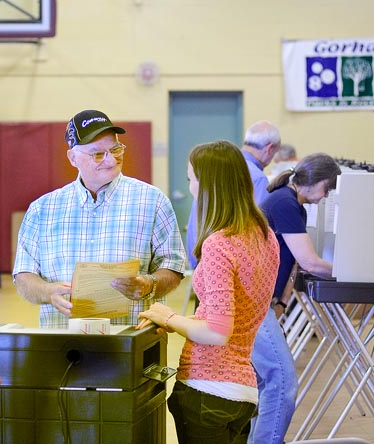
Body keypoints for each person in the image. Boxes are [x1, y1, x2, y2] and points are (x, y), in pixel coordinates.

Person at [137, 141, 279, 443]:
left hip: (208, 389)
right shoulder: (265, 237)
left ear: (208, 184)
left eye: (191, 179)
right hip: (242, 392)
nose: (189, 188)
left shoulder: (220, 244)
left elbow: (217, 331)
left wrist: (169, 317)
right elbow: (228, 314)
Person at [13, 109, 186, 328]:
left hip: (131, 339)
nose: (111, 160)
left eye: (116, 150)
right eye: (97, 154)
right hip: (63, 343)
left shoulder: (152, 201)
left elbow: (173, 266)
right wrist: (48, 292)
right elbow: (23, 276)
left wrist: (149, 284)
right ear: (73, 158)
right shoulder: (42, 210)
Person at [249, 153, 341, 444]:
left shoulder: (293, 205)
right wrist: (349, 269)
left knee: (268, 382)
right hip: (253, 303)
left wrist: (281, 303)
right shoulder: (285, 203)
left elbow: (290, 264)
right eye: (327, 188)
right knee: (282, 381)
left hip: (263, 302)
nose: (326, 196)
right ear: (312, 181)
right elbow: (309, 262)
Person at [185, 120, 281, 268]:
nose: (191, 187)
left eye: (190, 179)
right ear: (270, 149)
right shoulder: (255, 177)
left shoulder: (216, 246)